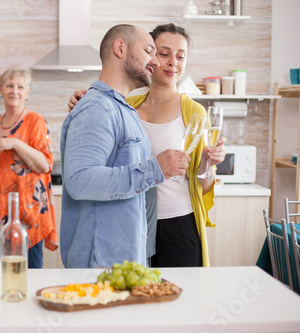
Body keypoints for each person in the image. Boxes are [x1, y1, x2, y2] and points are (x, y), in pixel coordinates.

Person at [68, 23, 227, 267]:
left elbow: (203, 186)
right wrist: (85, 104)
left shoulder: (195, 113)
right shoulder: (126, 103)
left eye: (181, 56)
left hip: (177, 224)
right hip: (133, 223)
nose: (172, 62)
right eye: (163, 53)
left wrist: (207, 162)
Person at [0, 68, 58, 269]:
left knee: (30, 276)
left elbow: (45, 164)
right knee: (1, 276)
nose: (15, 91)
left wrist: (16, 144)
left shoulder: (35, 121)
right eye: (9, 86)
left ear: (27, 93)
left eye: (20, 87)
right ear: (0, 90)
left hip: (26, 216)